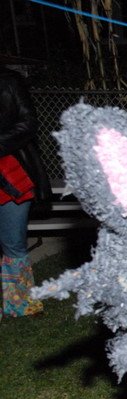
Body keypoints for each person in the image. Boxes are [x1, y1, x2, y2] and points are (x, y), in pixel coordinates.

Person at [0, 66, 50, 319]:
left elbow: (28, 123)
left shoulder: (9, 81)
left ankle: (20, 302)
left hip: (11, 174)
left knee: (14, 244)